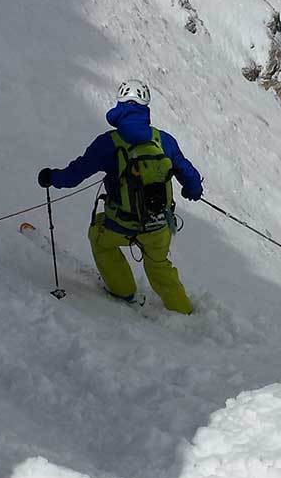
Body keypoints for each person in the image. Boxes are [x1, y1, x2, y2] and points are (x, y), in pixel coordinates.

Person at [38, 80, 203, 314]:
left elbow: (74, 175)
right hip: (159, 225)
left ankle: (123, 290)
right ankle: (183, 311)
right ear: (146, 107)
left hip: (121, 224)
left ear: (120, 104)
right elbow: (189, 175)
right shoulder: (162, 140)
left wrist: (51, 177)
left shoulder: (109, 143)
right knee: (158, 265)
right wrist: (192, 190)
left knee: (98, 238)